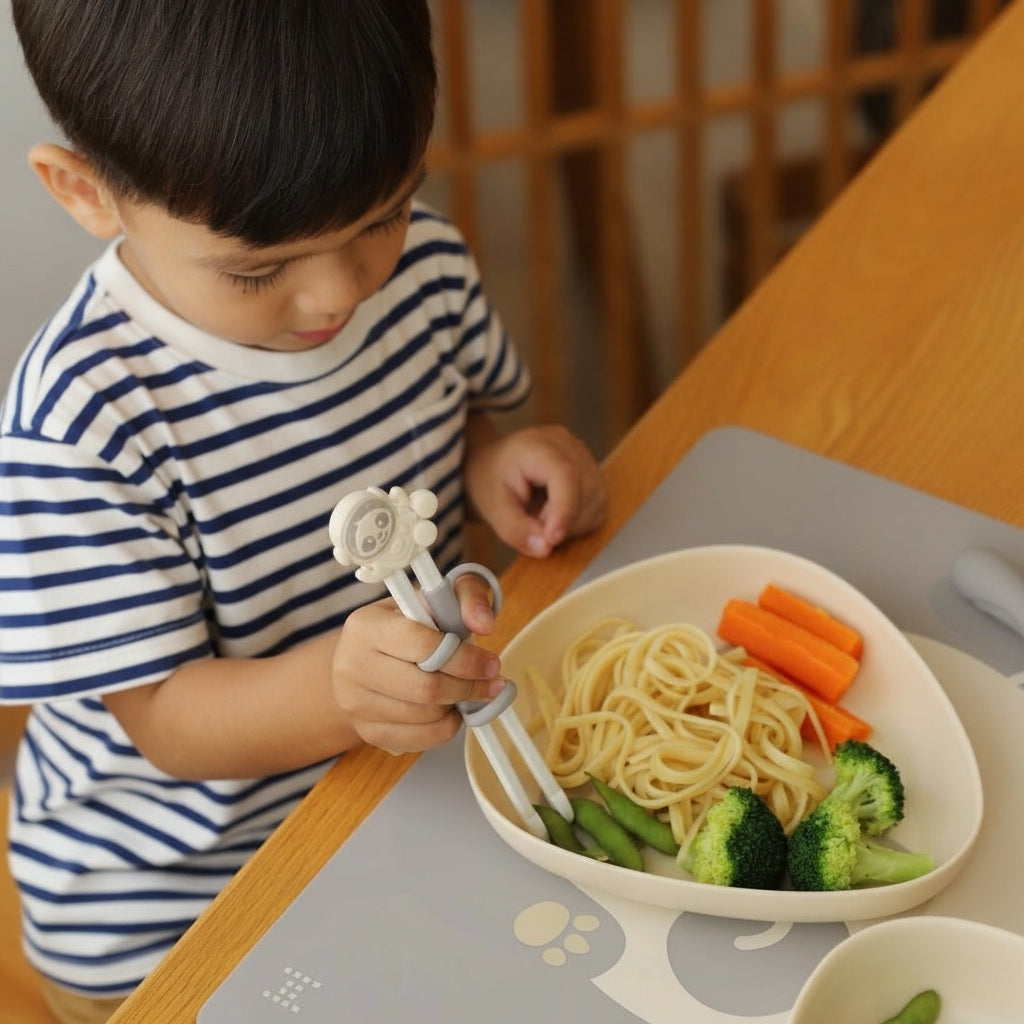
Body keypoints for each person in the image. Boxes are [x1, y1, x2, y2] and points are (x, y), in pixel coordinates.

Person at [0, 2, 607, 1021]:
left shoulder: (422, 272)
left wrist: (495, 460)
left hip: (404, 799)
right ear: (85, 191)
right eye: (256, 267)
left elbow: (442, 413)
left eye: (382, 213)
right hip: (174, 898)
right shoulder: (82, 425)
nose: (337, 292)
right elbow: (168, 722)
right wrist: (339, 694)